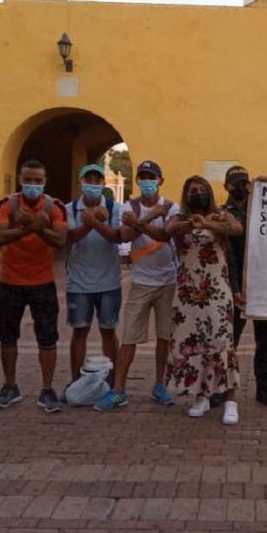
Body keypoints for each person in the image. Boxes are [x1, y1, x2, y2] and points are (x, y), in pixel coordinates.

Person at [95, 160, 179, 410]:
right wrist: (151, 218)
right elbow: (125, 236)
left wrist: (141, 222)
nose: (146, 181)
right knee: (129, 337)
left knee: (164, 336)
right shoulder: (128, 206)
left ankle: (160, 384)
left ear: (160, 180)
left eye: (151, 176)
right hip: (141, 281)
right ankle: (119, 389)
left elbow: (165, 235)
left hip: (168, 280)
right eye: (142, 177)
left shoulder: (172, 207)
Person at [0, 159, 68, 412]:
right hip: (10, 281)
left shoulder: (54, 207)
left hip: (42, 282)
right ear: (19, 180)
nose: (32, 185)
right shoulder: (6, 205)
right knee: (7, 336)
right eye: (28, 180)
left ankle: (47, 389)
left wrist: (41, 229)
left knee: (47, 338)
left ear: (45, 181)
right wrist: (26, 228)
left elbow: (60, 240)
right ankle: (9, 385)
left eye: (37, 180)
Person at [164, 175, 243, 423]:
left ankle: (231, 400)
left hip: (217, 291)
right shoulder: (180, 218)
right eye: (192, 191)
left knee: (221, 343)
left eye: (201, 189)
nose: (197, 194)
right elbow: (170, 230)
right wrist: (192, 224)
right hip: (188, 292)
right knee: (194, 343)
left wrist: (208, 224)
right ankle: (202, 397)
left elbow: (236, 229)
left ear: (209, 192)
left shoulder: (222, 215)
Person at [219, 166, 267, 407]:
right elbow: (229, 255)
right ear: (226, 187)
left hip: (265, 284)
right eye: (235, 183)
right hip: (236, 287)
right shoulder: (223, 214)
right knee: (228, 340)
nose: (240, 187)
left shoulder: (263, 207)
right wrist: (235, 289)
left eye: (244, 183)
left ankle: (264, 386)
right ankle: (222, 387)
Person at [64, 165, 125, 383]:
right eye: (88, 179)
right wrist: (91, 224)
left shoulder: (115, 208)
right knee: (79, 332)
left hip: (109, 282)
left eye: (97, 181)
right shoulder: (69, 209)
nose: (92, 184)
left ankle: (115, 381)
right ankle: (74, 380)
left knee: (109, 331)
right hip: (78, 283)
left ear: (103, 184)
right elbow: (68, 237)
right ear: (80, 182)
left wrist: (95, 223)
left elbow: (117, 237)